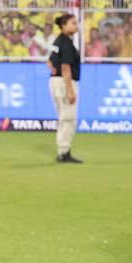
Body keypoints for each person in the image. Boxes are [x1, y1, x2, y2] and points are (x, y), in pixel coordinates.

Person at [48, 14, 82, 163]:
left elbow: (50, 62)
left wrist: (55, 73)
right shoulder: (67, 43)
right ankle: (63, 153)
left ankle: (63, 151)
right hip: (64, 82)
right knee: (68, 118)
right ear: (64, 25)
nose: (76, 25)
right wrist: (69, 90)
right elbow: (66, 67)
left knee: (64, 117)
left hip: (55, 81)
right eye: (73, 23)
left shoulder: (58, 40)